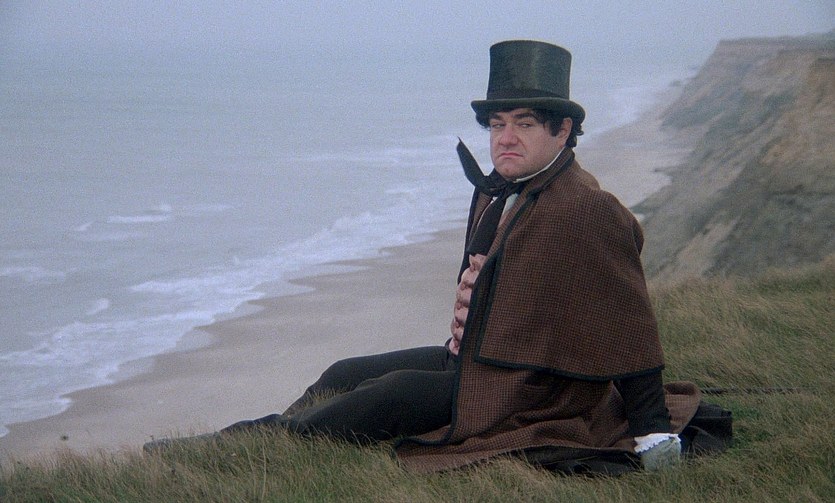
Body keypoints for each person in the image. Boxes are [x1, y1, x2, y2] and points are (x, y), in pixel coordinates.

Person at [145, 40, 704, 474]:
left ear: (563, 131)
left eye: (525, 123)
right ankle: (276, 434)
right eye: (498, 124)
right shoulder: (501, 190)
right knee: (343, 373)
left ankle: (247, 447)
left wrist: (653, 431)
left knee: (389, 395)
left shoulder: (585, 208)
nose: (505, 138)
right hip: (476, 363)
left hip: (530, 390)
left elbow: (629, 323)